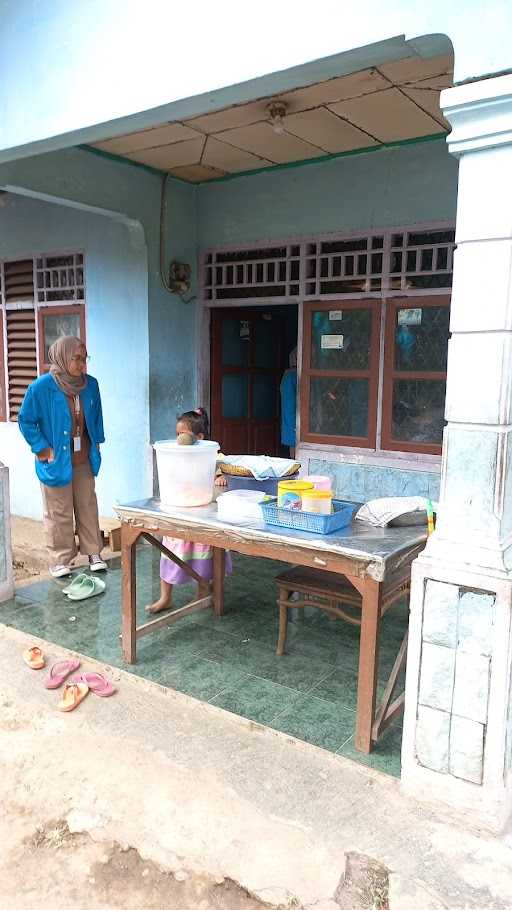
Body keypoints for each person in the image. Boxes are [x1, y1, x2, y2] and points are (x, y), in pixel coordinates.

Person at [18, 336, 107, 579]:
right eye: (76, 358)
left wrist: (97, 445)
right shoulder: (41, 387)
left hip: (83, 458)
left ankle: (93, 552)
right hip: (56, 461)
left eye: (84, 358)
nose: (82, 364)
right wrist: (42, 449)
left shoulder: (91, 385)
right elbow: (26, 420)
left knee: (87, 505)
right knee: (59, 511)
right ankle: (60, 559)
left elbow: (96, 417)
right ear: (61, 356)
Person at [146, 407, 231, 615]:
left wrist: (220, 478)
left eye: (183, 435)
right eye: (176, 434)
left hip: (201, 516)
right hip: (179, 511)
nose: (178, 439)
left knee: (202, 558)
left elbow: (225, 473)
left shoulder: (214, 457)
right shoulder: (175, 455)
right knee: (169, 555)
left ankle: (204, 590)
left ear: (199, 438)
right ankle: (165, 597)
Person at [280, 347, 298, 457]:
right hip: (295, 424)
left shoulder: (294, 375)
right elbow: (289, 405)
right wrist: (295, 425)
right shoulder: (290, 376)